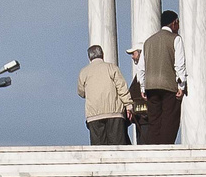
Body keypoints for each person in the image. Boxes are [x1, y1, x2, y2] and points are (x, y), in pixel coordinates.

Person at [139, 10, 185, 144]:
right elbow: (179, 64)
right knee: (169, 119)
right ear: (174, 23)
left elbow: (141, 67)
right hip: (169, 85)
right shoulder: (175, 39)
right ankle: (166, 147)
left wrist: (143, 87)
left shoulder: (148, 42)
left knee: (154, 120)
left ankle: (153, 147)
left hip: (151, 86)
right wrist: (181, 85)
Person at [77, 44, 134, 145]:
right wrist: (128, 106)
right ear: (102, 55)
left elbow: (81, 92)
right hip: (114, 112)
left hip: (94, 115)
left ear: (89, 57)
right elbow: (122, 88)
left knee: (98, 148)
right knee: (117, 146)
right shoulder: (112, 68)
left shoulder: (84, 72)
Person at [124, 45, 150, 145]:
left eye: (133, 53)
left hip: (145, 116)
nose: (132, 57)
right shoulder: (142, 72)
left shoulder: (144, 72)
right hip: (141, 117)